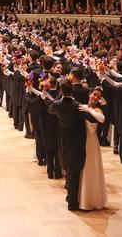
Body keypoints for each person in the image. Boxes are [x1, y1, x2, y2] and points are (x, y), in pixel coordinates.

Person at [45, 79, 91, 212]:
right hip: (77, 141)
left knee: (68, 169)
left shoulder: (57, 104)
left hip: (63, 140)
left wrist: (46, 96)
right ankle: (72, 203)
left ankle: (69, 196)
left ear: (60, 90)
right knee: (75, 171)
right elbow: (90, 118)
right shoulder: (77, 105)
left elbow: (50, 109)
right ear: (73, 90)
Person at [77, 88, 107, 211]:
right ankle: (82, 198)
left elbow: (102, 118)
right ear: (90, 94)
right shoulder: (83, 106)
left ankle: (91, 200)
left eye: (98, 97)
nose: (95, 97)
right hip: (81, 140)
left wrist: (88, 109)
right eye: (94, 94)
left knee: (90, 167)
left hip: (91, 141)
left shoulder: (96, 110)